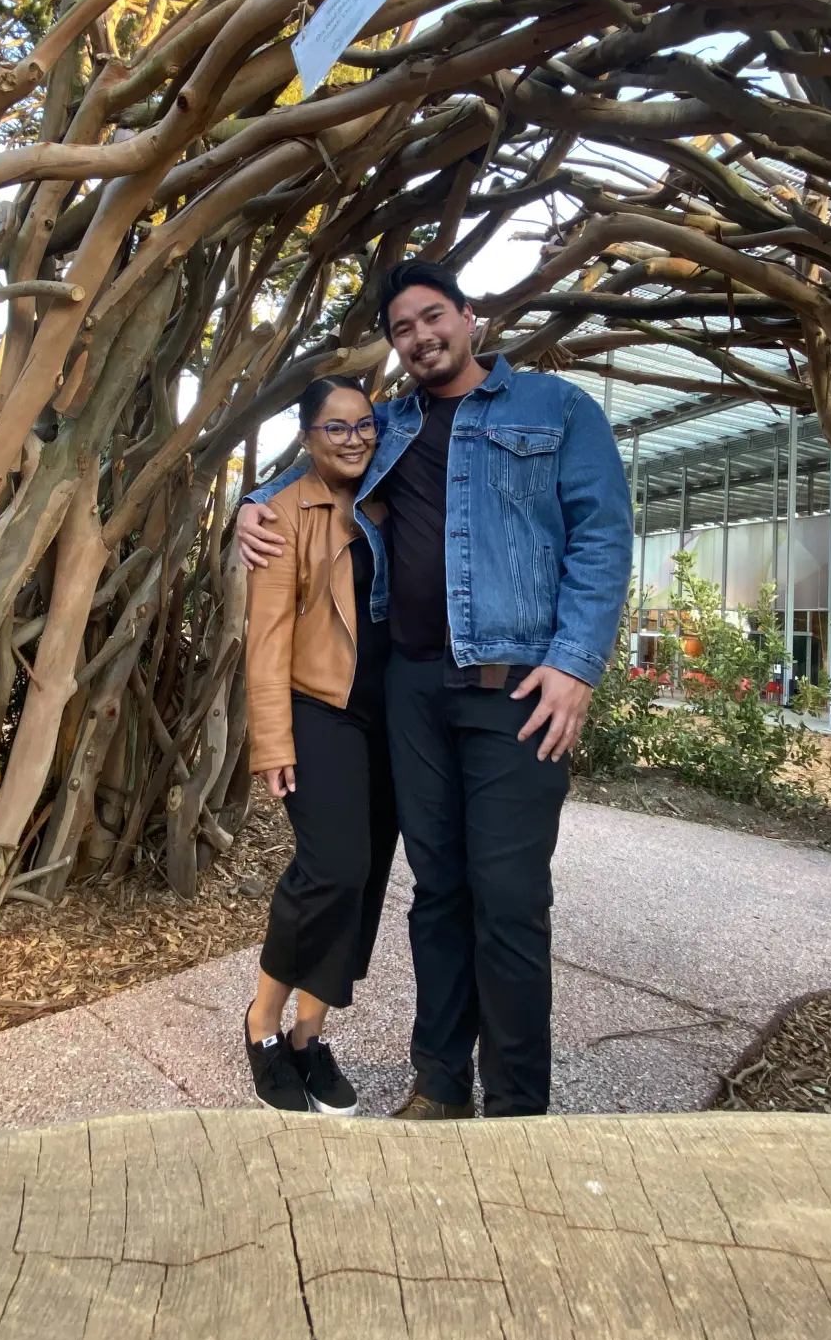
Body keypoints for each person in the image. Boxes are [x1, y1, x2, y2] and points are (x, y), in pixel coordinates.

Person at [238, 261, 632, 1119]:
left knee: (510, 898)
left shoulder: (558, 410)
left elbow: (602, 537)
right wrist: (253, 501)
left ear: (469, 316)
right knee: (438, 894)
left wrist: (576, 664)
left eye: (431, 317)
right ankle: (441, 1084)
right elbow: (322, 458)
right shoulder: (391, 422)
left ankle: (517, 1105)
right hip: (413, 692)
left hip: (516, 690)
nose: (419, 337)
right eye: (402, 329)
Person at [242, 375, 396, 1115]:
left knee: (362, 881)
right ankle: (262, 1024)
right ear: (307, 437)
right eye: (335, 428)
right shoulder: (280, 514)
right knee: (331, 868)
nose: (354, 439)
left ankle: (309, 1036)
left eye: (364, 424)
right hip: (318, 709)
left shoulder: (389, 494)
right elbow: (267, 637)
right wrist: (273, 740)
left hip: (391, 717)